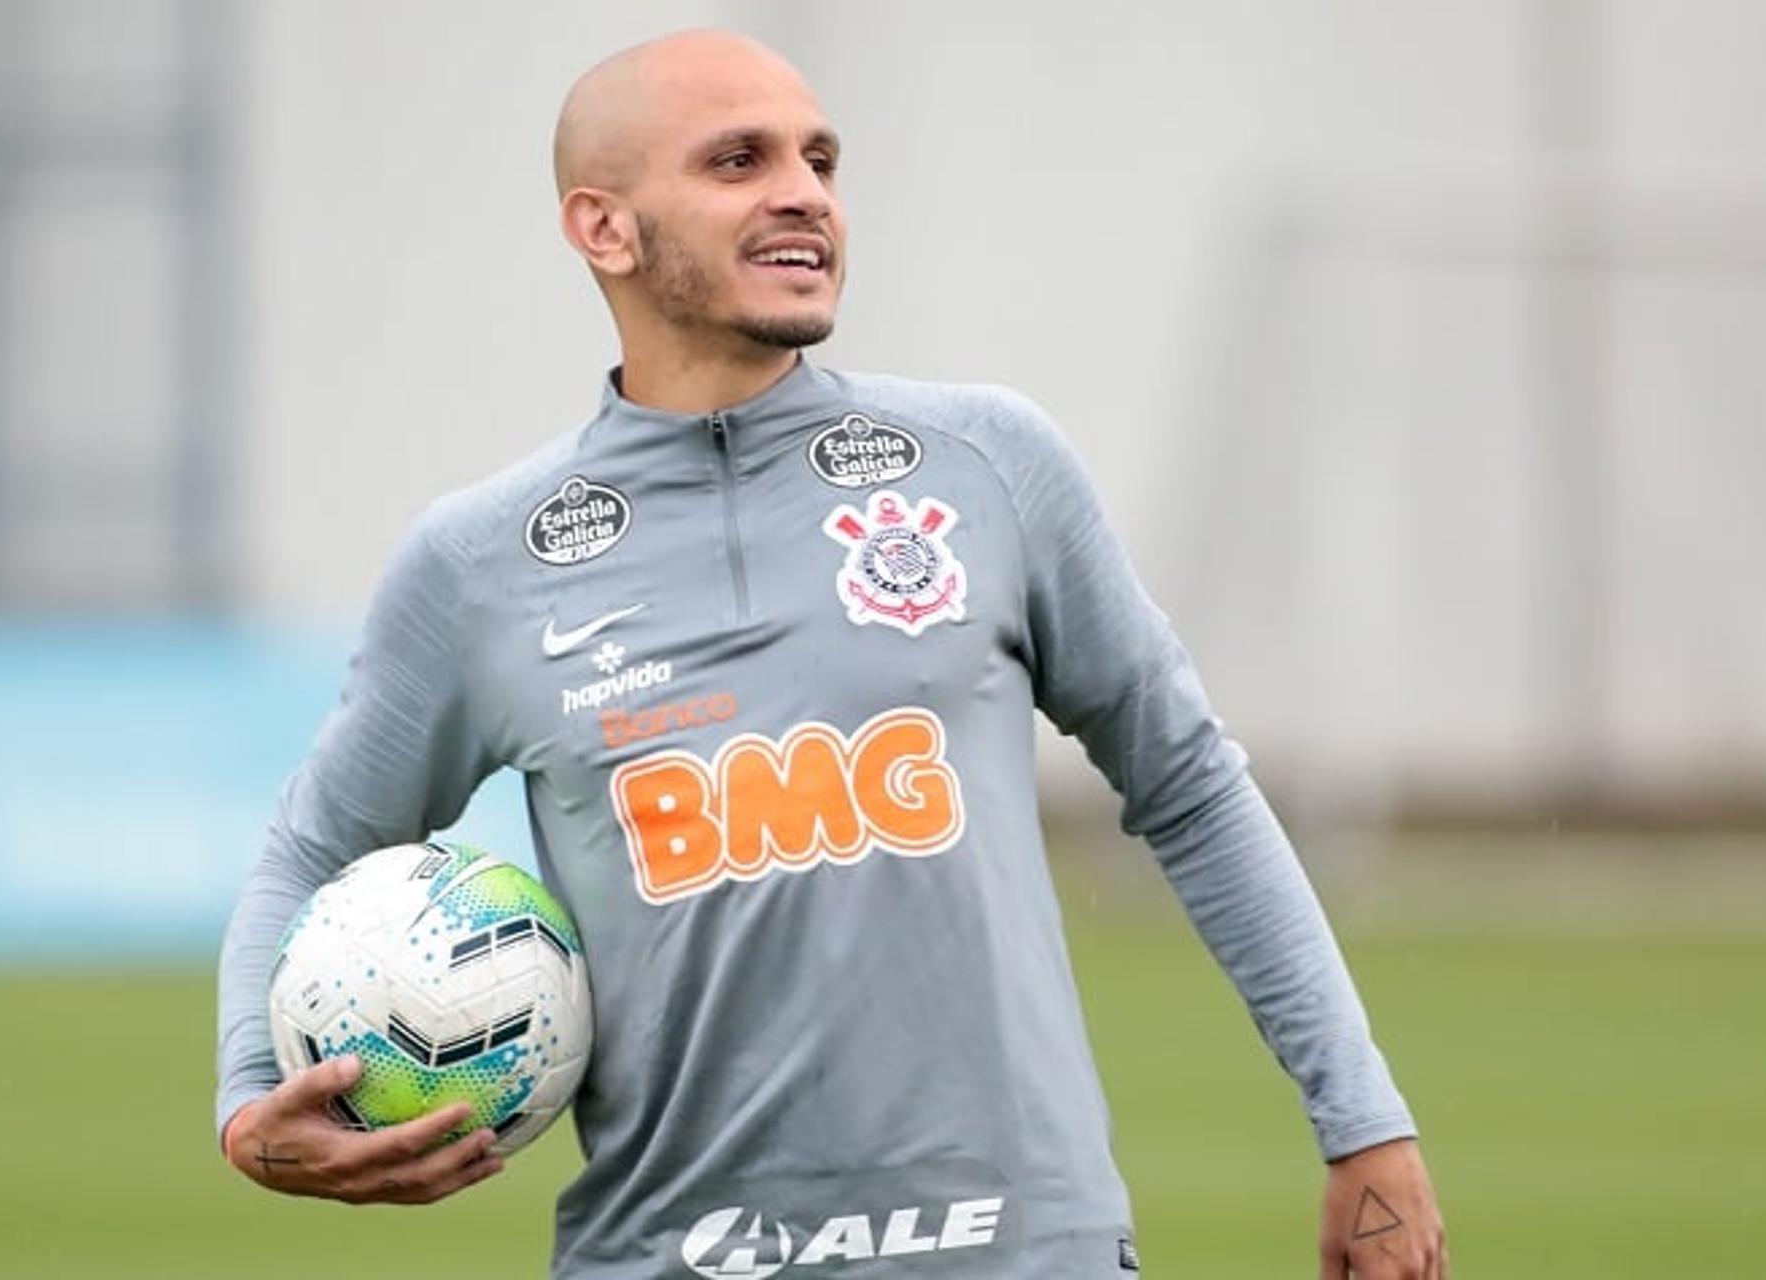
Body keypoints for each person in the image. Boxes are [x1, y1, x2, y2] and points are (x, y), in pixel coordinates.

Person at [216, 27, 1449, 1279]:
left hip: (1025, 1253)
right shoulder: (480, 563)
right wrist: (252, 1101)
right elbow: (314, 849)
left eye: (820, 159)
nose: (803, 190)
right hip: (668, 1256)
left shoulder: (988, 465)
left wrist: (1363, 1117)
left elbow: (1189, 783)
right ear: (605, 229)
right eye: (739, 160)